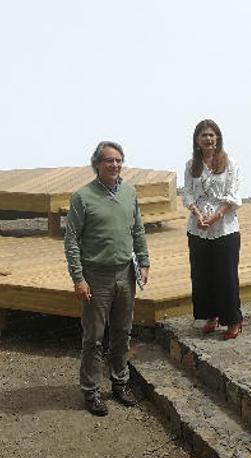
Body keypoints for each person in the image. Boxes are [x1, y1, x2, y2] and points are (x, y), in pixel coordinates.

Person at [64, 141, 151, 416]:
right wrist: (78, 278)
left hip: (126, 273)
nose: (114, 165)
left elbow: (138, 229)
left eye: (118, 160)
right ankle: (90, 391)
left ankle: (120, 383)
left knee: (122, 332)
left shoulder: (129, 192)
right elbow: (72, 240)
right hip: (96, 276)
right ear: (97, 165)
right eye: (108, 161)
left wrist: (144, 260)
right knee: (94, 337)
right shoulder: (82, 197)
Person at [182, 119, 243, 340]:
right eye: (204, 135)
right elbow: (188, 193)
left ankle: (233, 319)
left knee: (226, 275)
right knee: (202, 274)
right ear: (197, 140)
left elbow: (233, 195)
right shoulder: (191, 165)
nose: (208, 139)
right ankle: (211, 315)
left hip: (224, 226)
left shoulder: (230, 164)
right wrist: (198, 215)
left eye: (211, 135)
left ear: (217, 138)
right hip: (198, 228)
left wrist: (216, 216)